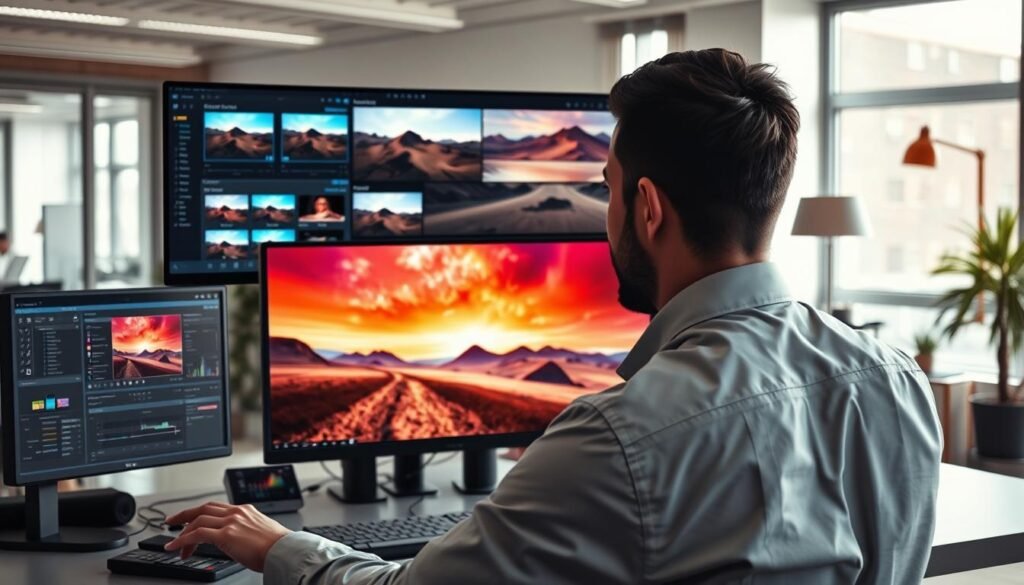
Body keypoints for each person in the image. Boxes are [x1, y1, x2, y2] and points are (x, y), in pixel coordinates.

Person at [165, 49, 942, 584]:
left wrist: (282, 547)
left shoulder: (621, 434)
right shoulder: (897, 380)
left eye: (604, 188)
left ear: (646, 208)